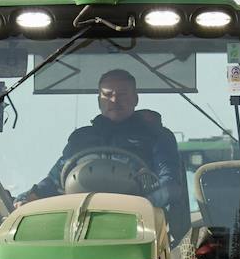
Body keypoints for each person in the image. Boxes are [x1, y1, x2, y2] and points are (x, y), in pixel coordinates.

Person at [16, 69, 184, 210]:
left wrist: (141, 206)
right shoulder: (81, 139)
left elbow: (169, 186)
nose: (114, 100)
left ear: (135, 99)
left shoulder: (156, 136)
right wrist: (28, 198)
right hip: (77, 217)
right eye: (107, 95)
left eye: (122, 94)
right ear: (99, 100)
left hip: (139, 223)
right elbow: (55, 179)